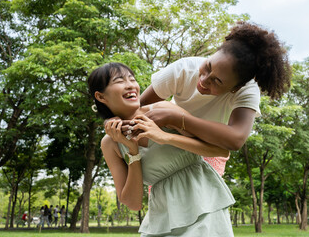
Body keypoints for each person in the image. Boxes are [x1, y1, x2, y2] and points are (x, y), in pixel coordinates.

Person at [88, 62, 235, 236]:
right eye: (119, 80)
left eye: (132, 79)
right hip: (162, 215)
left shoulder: (163, 109)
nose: (131, 85)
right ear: (101, 96)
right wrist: (132, 151)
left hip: (204, 203)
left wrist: (165, 137)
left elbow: (220, 150)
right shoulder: (110, 143)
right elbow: (133, 203)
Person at [138, 21, 291, 176]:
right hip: (169, 143)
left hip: (209, 150)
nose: (204, 80)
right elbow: (139, 106)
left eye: (217, 81)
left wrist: (177, 118)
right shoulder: (183, 69)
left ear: (235, 88)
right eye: (208, 66)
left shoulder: (247, 91)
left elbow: (236, 139)